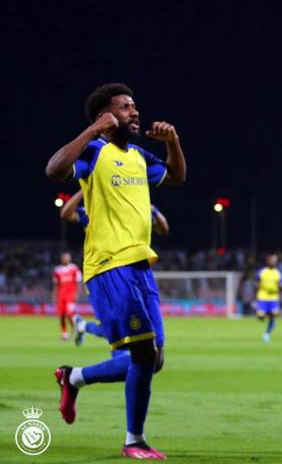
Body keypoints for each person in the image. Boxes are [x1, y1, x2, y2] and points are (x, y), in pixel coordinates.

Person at [46, 82, 186, 459]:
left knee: (153, 360)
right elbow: (55, 169)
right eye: (125, 108)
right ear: (106, 116)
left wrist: (172, 141)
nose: (135, 112)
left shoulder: (139, 155)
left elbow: (175, 177)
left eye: (134, 106)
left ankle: (73, 377)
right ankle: (133, 440)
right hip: (110, 266)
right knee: (142, 355)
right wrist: (93, 130)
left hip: (141, 265)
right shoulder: (94, 150)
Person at [60, 189, 170, 347]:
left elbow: (164, 229)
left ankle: (83, 327)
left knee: (133, 328)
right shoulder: (90, 212)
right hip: (102, 273)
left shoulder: (133, 208)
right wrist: (85, 189)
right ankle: (85, 333)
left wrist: (154, 210)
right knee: (117, 330)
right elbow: (66, 213)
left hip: (131, 270)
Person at [255, 254, 282, 343]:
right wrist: (257, 286)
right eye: (271, 260)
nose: (272, 262)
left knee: (274, 314)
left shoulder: (278, 273)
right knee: (261, 316)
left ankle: (267, 334)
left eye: (274, 261)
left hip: (273, 297)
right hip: (263, 296)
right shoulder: (262, 272)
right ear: (268, 261)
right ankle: (264, 317)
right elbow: (257, 281)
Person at [52, 252, 82, 341]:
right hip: (61, 296)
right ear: (62, 259)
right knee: (61, 315)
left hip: (70, 295)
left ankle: (74, 328)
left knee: (69, 313)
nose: (66, 259)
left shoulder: (74, 268)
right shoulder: (57, 270)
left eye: (67, 258)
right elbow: (55, 284)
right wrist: (54, 295)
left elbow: (78, 281)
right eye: (65, 258)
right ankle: (64, 333)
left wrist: (77, 293)